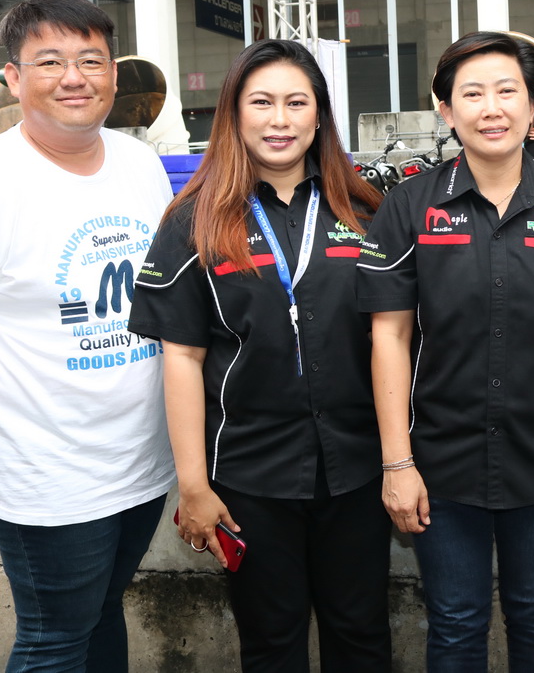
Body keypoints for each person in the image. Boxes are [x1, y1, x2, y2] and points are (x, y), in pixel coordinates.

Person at [0, 0, 175, 670]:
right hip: (46, 474)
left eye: (91, 59)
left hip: (141, 460)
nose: (74, 77)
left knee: (101, 612)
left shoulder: (139, 164)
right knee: (54, 637)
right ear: (14, 77)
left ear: (114, 73)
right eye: (50, 61)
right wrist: (6, 384)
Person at [357, 31, 534, 672]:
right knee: (454, 623)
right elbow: (389, 335)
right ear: (446, 109)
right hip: (439, 460)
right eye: (472, 94)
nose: (492, 108)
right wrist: (397, 463)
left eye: (508, 91)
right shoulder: (409, 206)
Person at [126, 39, 390, 671]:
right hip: (250, 477)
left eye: (297, 103)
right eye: (262, 102)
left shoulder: (366, 210)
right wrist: (194, 485)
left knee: (363, 638)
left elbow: (397, 337)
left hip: (358, 470)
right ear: (234, 114)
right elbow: (182, 359)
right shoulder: (193, 221)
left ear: (320, 114)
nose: (280, 120)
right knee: (271, 646)